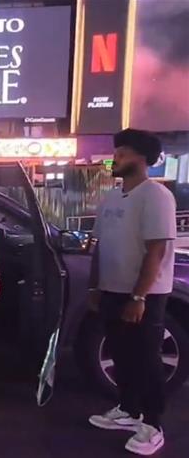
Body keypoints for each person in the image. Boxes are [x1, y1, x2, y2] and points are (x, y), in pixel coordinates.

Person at [87, 129, 176, 456]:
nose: (115, 159)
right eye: (116, 153)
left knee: (146, 359)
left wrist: (139, 297)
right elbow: (99, 246)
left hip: (144, 296)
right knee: (120, 354)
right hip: (111, 290)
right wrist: (95, 286)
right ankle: (128, 410)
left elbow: (156, 251)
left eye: (122, 153)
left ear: (141, 159)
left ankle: (153, 425)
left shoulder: (156, 196)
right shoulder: (112, 197)